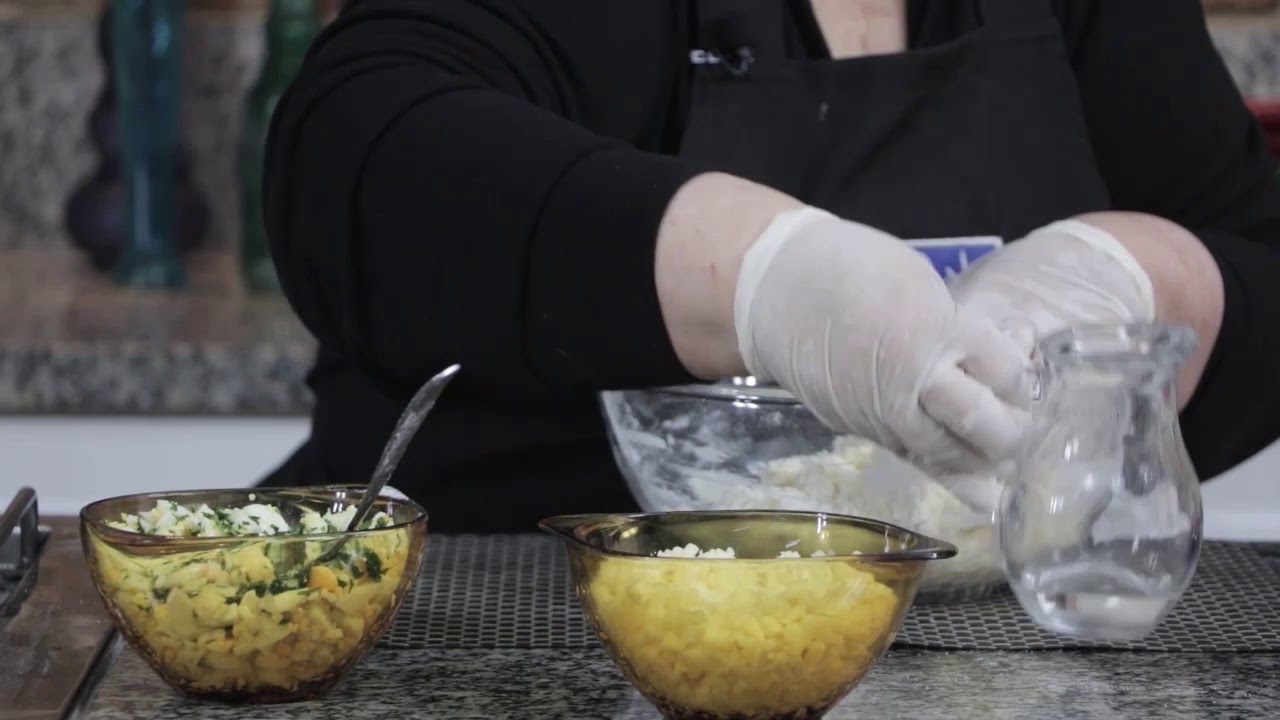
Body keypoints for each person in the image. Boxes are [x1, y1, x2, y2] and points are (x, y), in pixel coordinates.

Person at [260, 0, 1280, 532]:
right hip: (513, 620)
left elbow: (1256, 259)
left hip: (979, 657)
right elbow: (353, 148)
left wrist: (1136, 278)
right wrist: (762, 277)